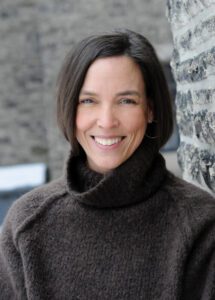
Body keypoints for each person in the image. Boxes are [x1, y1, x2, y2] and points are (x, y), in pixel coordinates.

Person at [0, 29, 215, 300]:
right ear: (70, 108)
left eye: (126, 101)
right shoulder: (27, 223)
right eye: (88, 101)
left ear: (150, 109)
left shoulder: (199, 222)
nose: (106, 121)